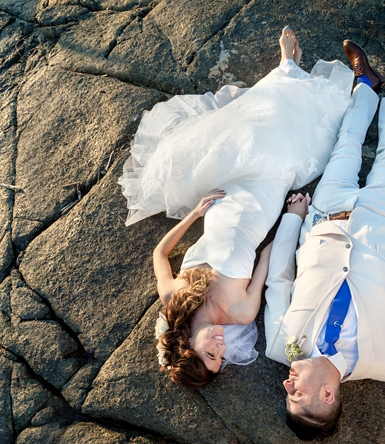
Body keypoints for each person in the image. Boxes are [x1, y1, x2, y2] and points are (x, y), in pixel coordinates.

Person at [124, 28, 356, 388]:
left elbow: (160, 253)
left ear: (187, 345)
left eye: (211, 354)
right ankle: (289, 71)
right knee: (285, 151)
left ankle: (286, 70)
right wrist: (291, 219)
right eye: (221, 358)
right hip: (262, 206)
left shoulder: (174, 296)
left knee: (247, 134)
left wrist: (196, 213)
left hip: (220, 202)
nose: (221, 348)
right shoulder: (242, 314)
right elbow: (266, 259)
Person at [263, 40, 385, 439]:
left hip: (326, 217)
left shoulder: (281, 346)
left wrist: (293, 220)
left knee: (347, 144)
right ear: (327, 395)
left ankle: (365, 83)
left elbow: (280, 278)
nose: (286, 385)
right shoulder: (381, 364)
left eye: (287, 392)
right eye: (296, 395)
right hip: (381, 230)